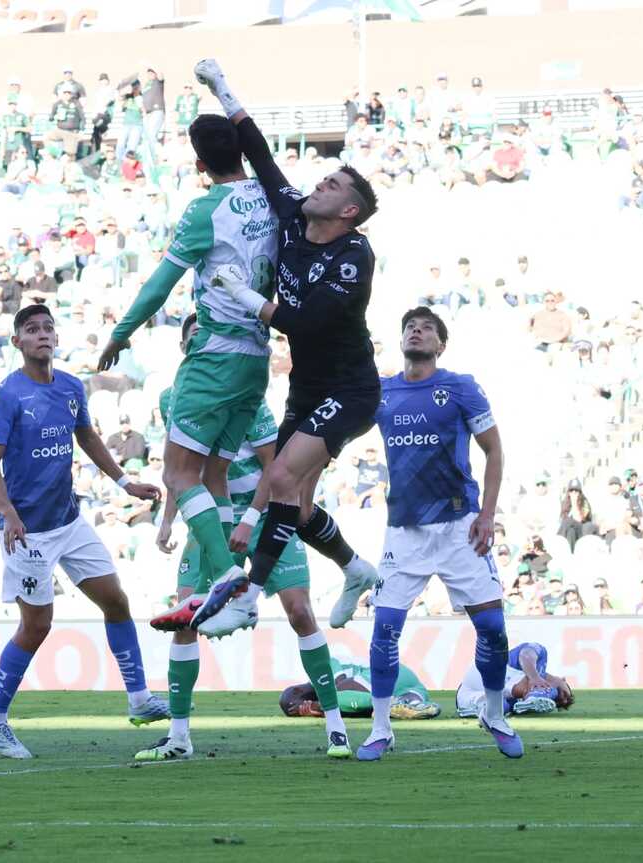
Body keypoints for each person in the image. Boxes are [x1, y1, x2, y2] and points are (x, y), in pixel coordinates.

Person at [187, 58, 381, 637]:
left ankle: (245, 595)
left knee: (279, 481)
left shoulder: (354, 257)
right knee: (293, 504)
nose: (318, 184)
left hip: (350, 389)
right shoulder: (296, 219)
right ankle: (353, 566)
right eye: (323, 180)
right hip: (309, 385)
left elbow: (306, 323)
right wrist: (223, 89)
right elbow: (260, 156)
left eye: (332, 185)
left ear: (348, 211)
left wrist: (244, 296)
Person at [97, 110, 277, 635]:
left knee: (180, 475)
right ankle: (211, 586)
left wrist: (122, 332)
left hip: (214, 358)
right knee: (215, 476)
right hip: (257, 359)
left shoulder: (205, 210)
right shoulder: (271, 197)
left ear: (199, 164)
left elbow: (160, 284)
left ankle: (227, 577)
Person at [140, 315, 350, 761]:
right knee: (185, 618)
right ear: (186, 350)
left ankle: (335, 727)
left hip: (262, 516)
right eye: (194, 338)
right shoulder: (172, 398)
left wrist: (250, 520)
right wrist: (167, 519)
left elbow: (275, 470)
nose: (203, 344)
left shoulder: (249, 399)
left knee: (299, 611)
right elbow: (180, 468)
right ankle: (179, 737)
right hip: (208, 521)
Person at [0, 304, 169, 759]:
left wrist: (125, 482)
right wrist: (8, 512)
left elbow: (87, 438)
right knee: (37, 625)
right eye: (32, 329)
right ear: (17, 342)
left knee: (116, 601)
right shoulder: (6, 395)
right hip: (28, 532)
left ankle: (139, 699)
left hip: (69, 520)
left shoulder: (69, 386)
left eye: (48, 327)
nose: (42, 335)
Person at [358, 306, 519, 760]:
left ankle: (493, 713)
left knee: (491, 627)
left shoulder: (460, 387)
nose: (416, 330)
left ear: (440, 344)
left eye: (427, 327)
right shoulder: (382, 392)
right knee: (385, 629)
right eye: (410, 325)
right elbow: (341, 429)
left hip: (458, 526)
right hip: (404, 532)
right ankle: (381, 727)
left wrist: (486, 515)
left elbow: (494, 450)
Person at [280, 658, 441, 721]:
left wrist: (319, 706)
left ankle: (388, 703)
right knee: (359, 709)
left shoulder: (322, 667)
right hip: (410, 686)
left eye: (296, 707)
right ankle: (414, 703)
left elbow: (342, 687)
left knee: (338, 692)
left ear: (296, 691)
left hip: (386, 672)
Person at [455, 641, 574, 717]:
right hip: (486, 670)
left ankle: (481, 708)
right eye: (566, 695)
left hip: (466, 695)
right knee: (544, 688)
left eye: (558, 703)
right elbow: (526, 654)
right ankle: (535, 696)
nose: (562, 700)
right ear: (563, 679)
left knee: (503, 706)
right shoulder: (539, 656)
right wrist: (534, 677)